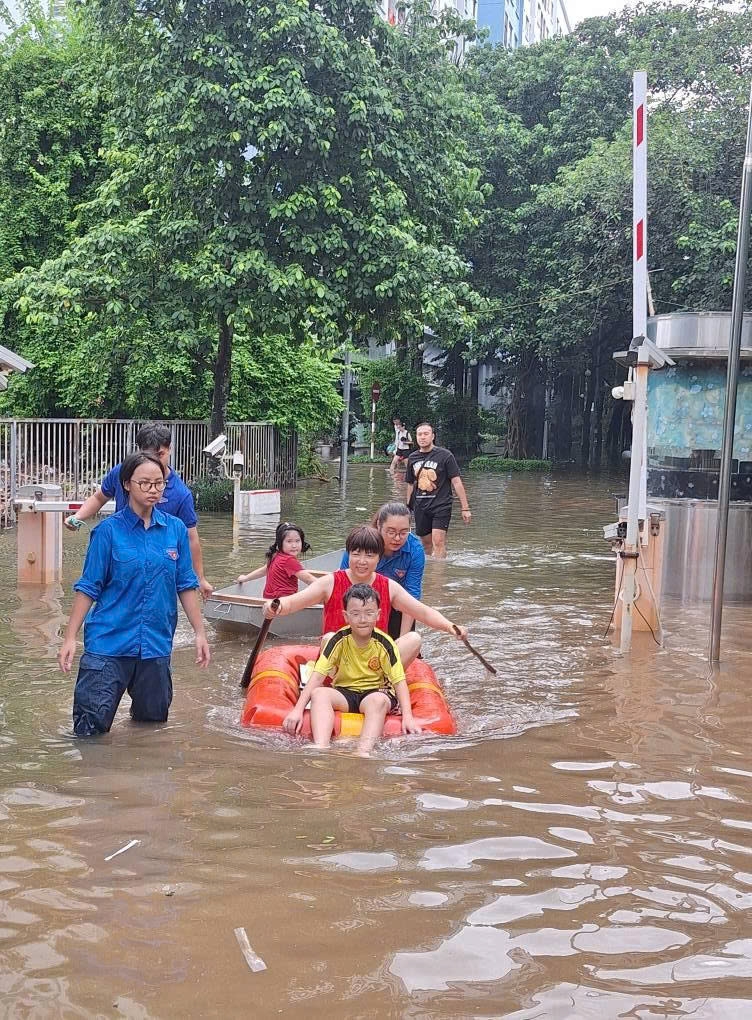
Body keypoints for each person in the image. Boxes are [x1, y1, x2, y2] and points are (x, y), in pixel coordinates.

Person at [58, 451, 211, 737]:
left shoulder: (175, 529)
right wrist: (70, 637)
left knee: (150, 732)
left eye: (159, 483)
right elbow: (89, 586)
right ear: (126, 484)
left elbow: (185, 584)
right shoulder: (107, 532)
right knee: (89, 734)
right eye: (145, 484)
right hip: (108, 646)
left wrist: (200, 632)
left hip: (155, 645)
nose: (153, 490)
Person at [262, 525, 467, 668]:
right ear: (348, 555)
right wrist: (274, 605)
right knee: (329, 638)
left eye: (369, 555)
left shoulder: (388, 586)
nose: (362, 561)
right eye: (356, 554)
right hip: (339, 660)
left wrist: (450, 627)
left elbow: (422, 612)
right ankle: (337, 684)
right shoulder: (331, 582)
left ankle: (385, 684)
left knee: (413, 638)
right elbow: (291, 603)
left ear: (379, 558)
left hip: (374, 661)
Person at [63, 423, 213, 599]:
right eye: (148, 454)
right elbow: (99, 497)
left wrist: (200, 578)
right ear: (128, 484)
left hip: (156, 564)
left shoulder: (181, 493)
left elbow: (191, 538)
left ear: (169, 450)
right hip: (121, 556)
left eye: (160, 455)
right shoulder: (122, 473)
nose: (153, 460)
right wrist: (77, 516)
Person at [282, 584, 422, 756]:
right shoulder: (339, 640)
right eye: (355, 614)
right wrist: (297, 709)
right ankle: (321, 745)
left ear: (378, 615)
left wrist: (407, 716)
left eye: (369, 613)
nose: (362, 619)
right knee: (319, 694)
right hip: (345, 692)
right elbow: (317, 676)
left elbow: (399, 682)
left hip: (376, 691)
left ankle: (363, 751)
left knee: (377, 701)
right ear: (346, 616)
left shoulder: (385, 644)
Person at [339, 502, 425, 639]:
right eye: (391, 532)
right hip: (361, 601)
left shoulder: (415, 550)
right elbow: (343, 583)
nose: (397, 538)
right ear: (379, 525)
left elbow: (411, 597)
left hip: (397, 605)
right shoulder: (361, 543)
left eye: (403, 533)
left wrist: (403, 640)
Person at [405, 422, 472, 559]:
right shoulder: (412, 458)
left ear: (433, 436)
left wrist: (465, 508)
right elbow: (410, 484)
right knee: (426, 545)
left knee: (438, 541)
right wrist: (408, 509)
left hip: (441, 505)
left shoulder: (445, 456)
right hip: (420, 506)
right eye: (419, 434)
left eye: (426, 434)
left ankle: (439, 576)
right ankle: (429, 572)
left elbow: (456, 481)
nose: (422, 437)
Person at [237, 521, 318, 597]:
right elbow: (308, 579)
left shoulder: (275, 555)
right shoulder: (290, 561)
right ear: (280, 543)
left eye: (297, 541)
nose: (294, 545)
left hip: (268, 601)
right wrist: (328, 588)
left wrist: (245, 578)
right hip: (284, 603)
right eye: (289, 541)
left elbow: (264, 570)